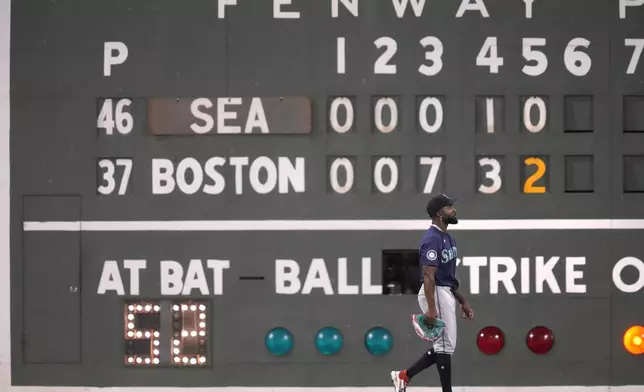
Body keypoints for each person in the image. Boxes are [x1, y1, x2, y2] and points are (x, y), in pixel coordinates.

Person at [390, 194, 474, 392]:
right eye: (449, 207)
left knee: (443, 347)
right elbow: (428, 276)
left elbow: (448, 277)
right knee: (445, 346)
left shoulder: (449, 239)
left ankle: (403, 376)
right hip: (434, 291)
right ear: (439, 213)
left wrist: (462, 301)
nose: (453, 210)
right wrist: (432, 308)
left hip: (443, 290)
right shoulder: (431, 239)